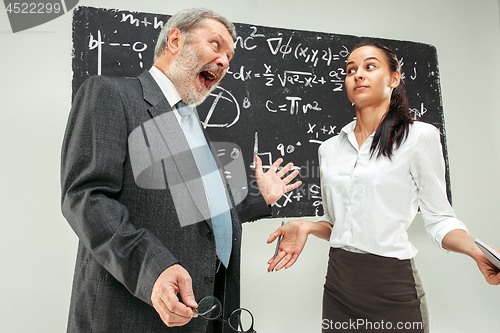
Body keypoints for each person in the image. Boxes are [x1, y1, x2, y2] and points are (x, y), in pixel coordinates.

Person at [61, 8, 300, 333]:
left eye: (229, 56)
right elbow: (86, 198)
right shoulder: (111, 95)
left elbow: (199, 214)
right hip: (134, 315)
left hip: (201, 315)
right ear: (175, 40)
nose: (225, 61)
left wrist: (261, 198)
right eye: (216, 45)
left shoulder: (193, 125)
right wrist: (153, 270)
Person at [267, 41, 500, 332]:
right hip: (339, 286)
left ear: (394, 78)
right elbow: (336, 223)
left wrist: (477, 250)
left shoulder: (419, 137)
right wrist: (308, 227)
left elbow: (440, 219)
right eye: (350, 70)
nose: (358, 75)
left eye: (369, 66)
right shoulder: (329, 149)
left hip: (392, 288)